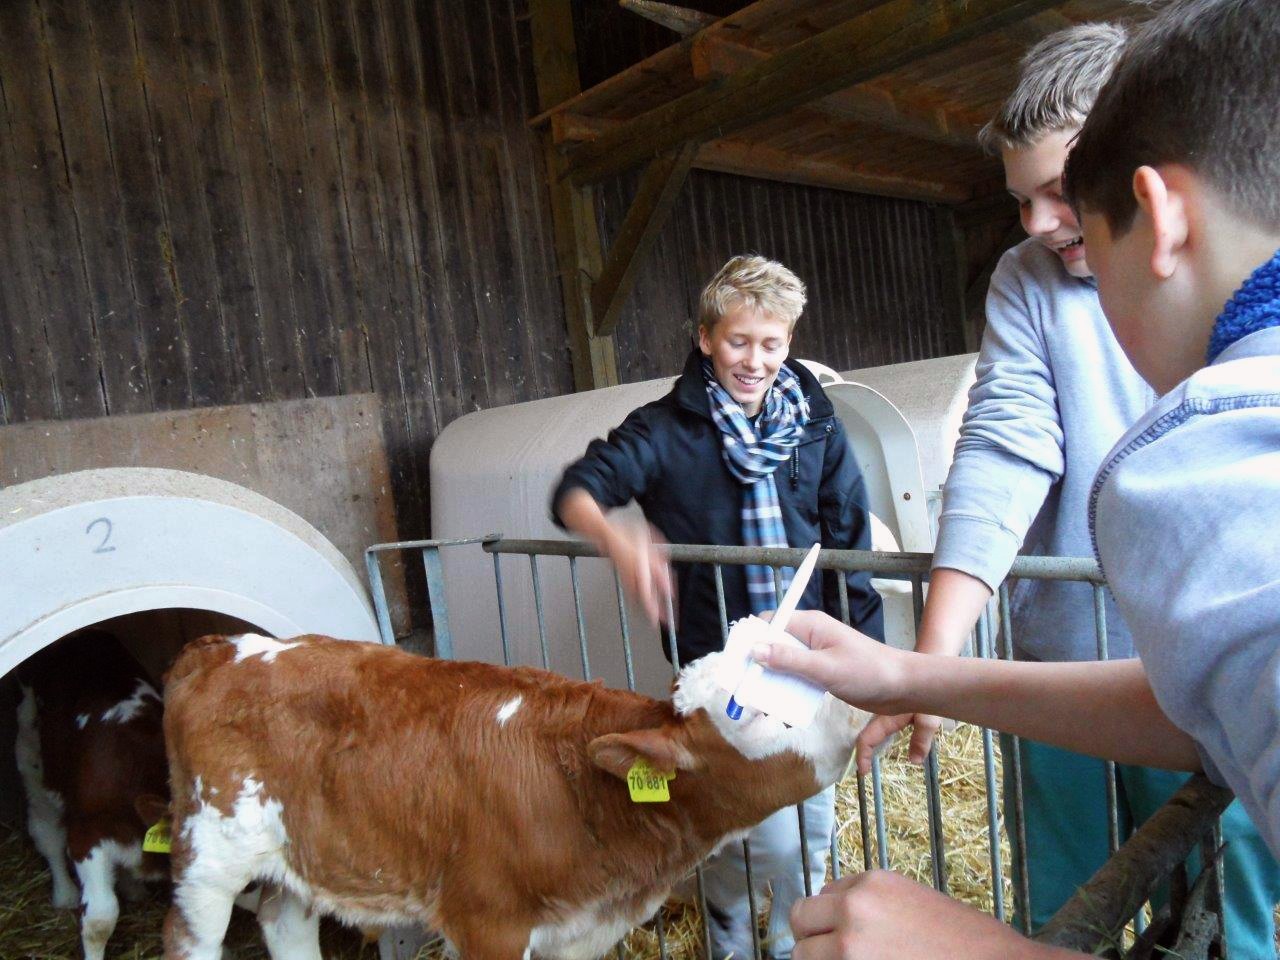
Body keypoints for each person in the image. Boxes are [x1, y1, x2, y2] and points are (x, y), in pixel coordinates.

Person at [750, 1, 1280, 957]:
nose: (1036, 223)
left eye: (1064, 190)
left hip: (1182, 657)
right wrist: (932, 663)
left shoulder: (1235, 496)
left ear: (1151, 196)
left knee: (1221, 907)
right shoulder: (1029, 279)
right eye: (1018, 199)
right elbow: (1005, 446)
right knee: (1070, 894)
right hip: (1068, 664)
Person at [551, 254, 884, 960]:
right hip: (716, 669)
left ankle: (792, 939)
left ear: (789, 343)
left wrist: (874, 666)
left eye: (772, 344)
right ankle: (728, 930)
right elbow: (577, 489)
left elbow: (848, 532)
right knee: (729, 821)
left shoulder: (814, 421)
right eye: (739, 342)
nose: (755, 361)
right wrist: (620, 541)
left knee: (806, 825)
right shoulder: (664, 428)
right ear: (706, 338)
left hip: (806, 659)